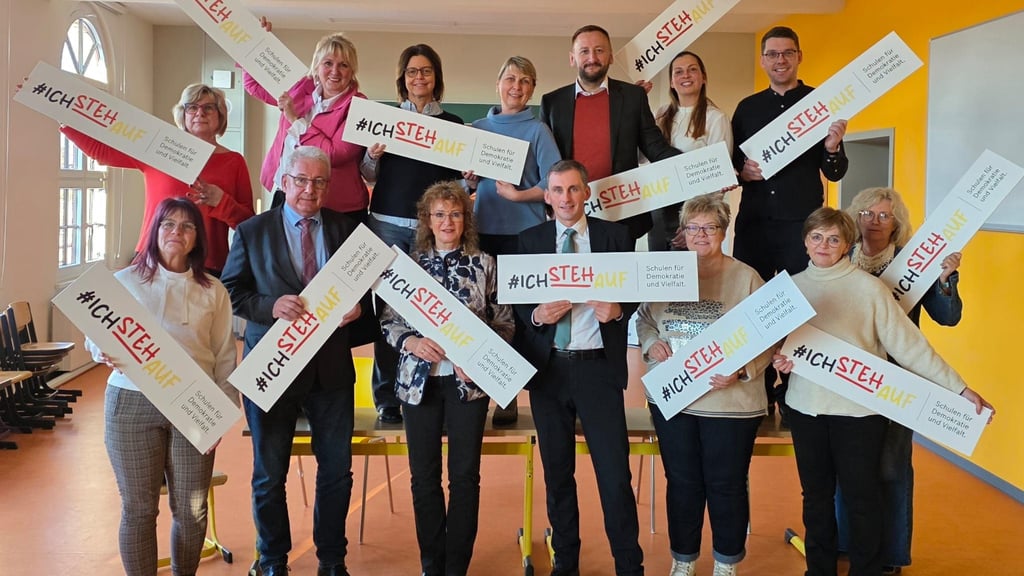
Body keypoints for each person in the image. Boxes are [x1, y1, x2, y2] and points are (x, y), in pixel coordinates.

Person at [771, 207, 992, 576]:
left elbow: (910, 347)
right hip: (806, 409)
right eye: (816, 237)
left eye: (833, 239)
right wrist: (779, 358)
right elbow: (775, 346)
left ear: (847, 245)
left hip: (859, 415)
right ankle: (819, 570)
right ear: (805, 241)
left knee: (862, 498)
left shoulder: (870, 289)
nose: (824, 245)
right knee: (816, 499)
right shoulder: (788, 290)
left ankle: (867, 570)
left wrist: (959, 389)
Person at [221, 146, 363, 576]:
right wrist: (269, 306)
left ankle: (332, 559)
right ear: (284, 182)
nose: (309, 189)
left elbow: (367, 289)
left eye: (319, 182)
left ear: (328, 186)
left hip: (330, 370)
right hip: (273, 367)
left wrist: (359, 308)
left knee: (337, 472)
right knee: (269, 473)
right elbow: (230, 291)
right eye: (301, 180)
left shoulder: (347, 229)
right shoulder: (252, 231)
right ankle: (272, 559)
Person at [86, 197, 238, 576]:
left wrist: (218, 416)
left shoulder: (213, 291)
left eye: (186, 226)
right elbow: (95, 336)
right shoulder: (124, 282)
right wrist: (99, 348)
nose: (176, 232)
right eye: (168, 224)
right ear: (155, 231)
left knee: (191, 510)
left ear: (197, 237)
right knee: (139, 509)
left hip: (193, 406)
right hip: (131, 403)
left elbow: (224, 357)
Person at [515, 159, 642, 576]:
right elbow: (517, 305)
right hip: (549, 371)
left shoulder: (615, 237)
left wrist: (618, 311)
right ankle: (565, 563)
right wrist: (537, 317)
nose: (566, 198)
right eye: (557, 190)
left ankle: (629, 565)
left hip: (598, 369)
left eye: (573, 189)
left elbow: (635, 291)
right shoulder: (530, 240)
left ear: (587, 193)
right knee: (557, 475)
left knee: (615, 474)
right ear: (547, 196)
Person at [380, 182, 514, 576]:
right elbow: (388, 322)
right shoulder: (406, 267)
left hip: (467, 387)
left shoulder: (485, 264)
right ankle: (431, 563)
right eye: (439, 214)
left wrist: (479, 358)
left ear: (465, 220)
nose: (447, 222)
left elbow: (505, 323)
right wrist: (412, 342)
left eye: (455, 214)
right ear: (427, 220)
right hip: (417, 384)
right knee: (423, 478)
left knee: (464, 478)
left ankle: (457, 566)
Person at [635, 193, 771, 576]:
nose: (700, 234)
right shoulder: (667, 274)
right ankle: (684, 560)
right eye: (692, 227)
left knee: (726, 484)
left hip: (729, 404)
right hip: (675, 398)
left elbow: (771, 334)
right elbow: (644, 318)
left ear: (723, 232)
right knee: (681, 483)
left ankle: (726, 562)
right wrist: (651, 343)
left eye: (709, 227)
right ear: (682, 232)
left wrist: (743, 369)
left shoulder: (747, 277)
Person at [835, 187, 964, 574]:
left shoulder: (915, 263)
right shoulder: (841, 257)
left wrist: (945, 278)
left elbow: (948, 317)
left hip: (898, 379)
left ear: (897, 223)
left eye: (884, 215)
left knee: (891, 467)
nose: (874, 222)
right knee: (846, 465)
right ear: (855, 217)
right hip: (846, 374)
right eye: (866, 213)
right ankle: (847, 542)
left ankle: (891, 554)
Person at [730, 26, 849, 415]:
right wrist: (741, 172)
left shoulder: (819, 105)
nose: (780, 60)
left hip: (802, 228)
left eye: (787, 53)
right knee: (754, 307)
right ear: (762, 60)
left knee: (803, 307)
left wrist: (832, 147)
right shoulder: (747, 109)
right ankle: (761, 389)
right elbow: (730, 166)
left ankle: (797, 391)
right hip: (755, 226)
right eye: (773, 54)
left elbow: (835, 172)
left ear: (799, 57)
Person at [359, 44, 472, 425]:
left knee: (428, 308)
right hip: (387, 225)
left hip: (430, 231)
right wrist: (372, 155)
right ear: (402, 78)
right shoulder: (386, 120)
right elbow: (368, 175)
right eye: (412, 71)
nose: (418, 78)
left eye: (425, 71)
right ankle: (387, 396)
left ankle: (424, 389)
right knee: (388, 310)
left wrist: (470, 180)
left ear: (436, 77)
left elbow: (458, 185)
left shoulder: (454, 125)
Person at [61, 84, 254, 276]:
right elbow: (102, 152)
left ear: (220, 115)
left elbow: (249, 225)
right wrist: (63, 120)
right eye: (192, 107)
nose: (199, 113)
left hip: (206, 265)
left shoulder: (234, 161)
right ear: (183, 114)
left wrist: (222, 202)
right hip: (152, 259)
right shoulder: (160, 149)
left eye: (208, 108)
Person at [471, 55, 562, 425]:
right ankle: (488, 389)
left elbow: (553, 184)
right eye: (510, 79)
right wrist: (468, 180)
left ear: (532, 89)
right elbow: (464, 184)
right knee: (486, 314)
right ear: (498, 84)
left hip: (525, 238)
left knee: (521, 319)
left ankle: (512, 394)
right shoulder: (477, 128)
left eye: (525, 81)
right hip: (483, 234)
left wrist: (519, 195)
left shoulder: (538, 131)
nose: (517, 87)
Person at [540, 24, 680, 242]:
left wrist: (704, 167)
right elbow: (544, 162)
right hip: (570, 214)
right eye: (584, 51)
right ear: (572, 58)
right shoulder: (552, 102)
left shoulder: (633, 97)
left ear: (611, 56)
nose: (592, 58)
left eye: (599, 50)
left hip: (622, 216)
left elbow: (656, 148)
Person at [243, 18, 369, 224]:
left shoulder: (359, 105)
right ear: (317, 66)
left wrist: (295, 120)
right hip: (286, 193)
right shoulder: (301, 88)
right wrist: (255, 42)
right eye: (328, 63)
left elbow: (334, 154)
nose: (335, 71)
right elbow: (254, 86)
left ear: (352, 71)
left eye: (343, 65)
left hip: (337, 207)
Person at [650, 51, 734, 252]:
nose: (685, 75)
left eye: (692, 70)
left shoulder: (716, 118)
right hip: (659, 213)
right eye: (678, 72)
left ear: (703, 77)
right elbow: (645, 160)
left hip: (694, 216)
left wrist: (694, 223)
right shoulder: (660, 115)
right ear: (671, 82)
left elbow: (718, 177)